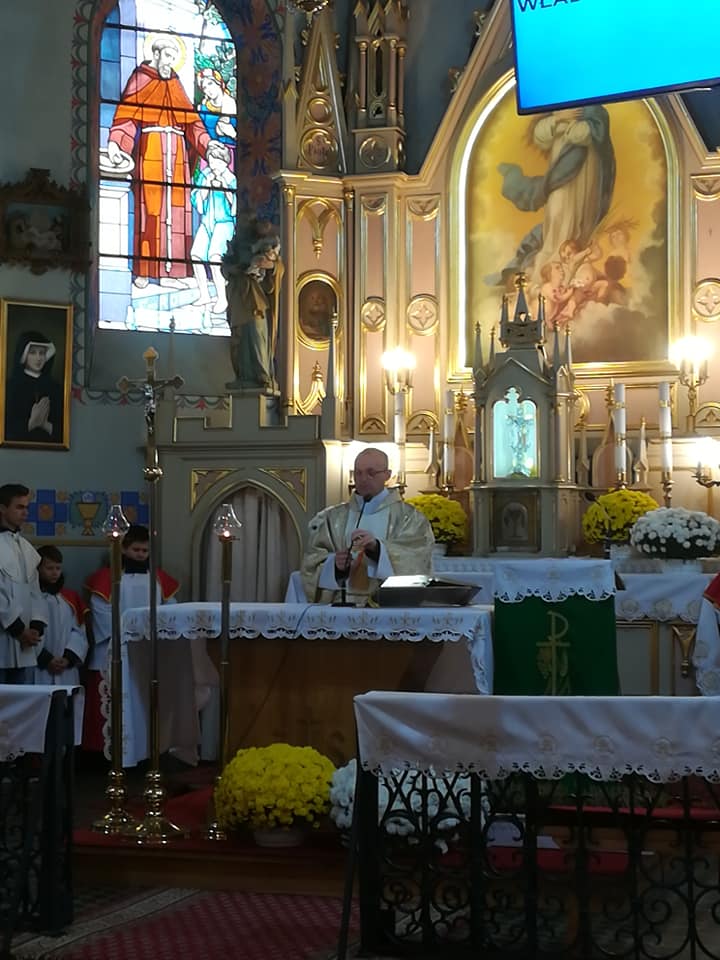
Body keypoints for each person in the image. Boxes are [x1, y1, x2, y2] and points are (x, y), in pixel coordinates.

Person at [105, 36, 212, 288]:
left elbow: (193, 123)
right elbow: (126, 117)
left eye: (174, 57)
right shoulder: (141, 78)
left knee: (178, 209)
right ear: (155, 54)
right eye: (167, 56)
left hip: (177, 153)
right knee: (150, 208)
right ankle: (145, 271)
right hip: (151, 147)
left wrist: (209, 145)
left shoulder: (175, 83)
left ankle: (173, 273)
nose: (170, 62)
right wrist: (116, 144)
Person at [489, 105, 616, 289]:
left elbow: (588, 134)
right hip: (559, 172)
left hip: (585, 174)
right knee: (556, 212)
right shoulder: (556, 107)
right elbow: (541, 137)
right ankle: (551, 264)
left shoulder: (594, 109)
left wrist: (567, 128)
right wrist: (559, 119)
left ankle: (571, 267)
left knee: (579, 216)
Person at [82, 524, 179, 753]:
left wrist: (153, 634)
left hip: (148, 648)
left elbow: (170, 610)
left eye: (145, 551)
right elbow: (101, 612)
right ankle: (103, 752)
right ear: (123, 549)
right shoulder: (106, 578)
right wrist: (127, 635)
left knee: (142, 703)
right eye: (136, 550)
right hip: (113, 648)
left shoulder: (158, 578)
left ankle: (144, 750)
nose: (141, 555)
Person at [301, 448, 435, 605]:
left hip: (389, 607)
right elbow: (312, 563)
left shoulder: (409, 517)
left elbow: (418, 558)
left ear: (387, 475)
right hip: (341, 607)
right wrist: (335, 566)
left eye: (371, 473)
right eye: (358, 473)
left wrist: (377, 549)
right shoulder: (333, 517)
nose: (363, 479)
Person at [223, 235, 284, 392]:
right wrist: (232, 269)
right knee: (240, 338)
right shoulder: (236, 243)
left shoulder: (266, 240)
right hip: (238, 297)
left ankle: (262, 373)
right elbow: (226, 266)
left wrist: (269, 265)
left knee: (258, 334)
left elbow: (278, 268)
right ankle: (243, 375)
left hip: (256, 297)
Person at [0, 484, 47, 683]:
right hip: (5, 638)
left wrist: (36, 625)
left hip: (25, 646)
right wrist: (18, 629)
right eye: (19, 507)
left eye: (27, 507)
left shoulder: (26, 548)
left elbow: (35, 592)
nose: (25, 512)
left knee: (23, 699)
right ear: (3, 508)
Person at [190, 140, 237, 314]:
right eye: (211, 161)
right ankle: (204, 295)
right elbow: (197, 199)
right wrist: (206, 187)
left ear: (225, 162)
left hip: (224, 223)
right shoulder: (205, 175)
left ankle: (222, 298)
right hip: (207, 221)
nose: (214, 165)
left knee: (215, 258)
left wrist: (224, 188)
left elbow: (235, 206)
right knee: (196, 254)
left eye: (218, 162)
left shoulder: (231, 178)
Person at [34, 545, 88, 687]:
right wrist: (46, 659)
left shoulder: (69, 598)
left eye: (58, 568)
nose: (55, 573)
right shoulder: (31, 597)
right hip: (38, 668)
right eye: (49, 568)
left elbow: (79, 632)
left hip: (65, 668)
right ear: (38, 569)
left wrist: (68, 657)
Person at [5, 331, 64, 444]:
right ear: (24, 355)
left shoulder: (56, 389)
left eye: (42, 353)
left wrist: (45, 425)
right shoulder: (9, 387)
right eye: (33, 353)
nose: (38, 358)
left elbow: (63, 432)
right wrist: (31, 423)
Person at [196, 67, 237, 144]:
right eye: (204, 88)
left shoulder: (231, 104)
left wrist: (234, 134)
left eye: (210, 83)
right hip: (211, 148)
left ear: (218, 82)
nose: (208, 89)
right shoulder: (202, 108)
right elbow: (198, 132)